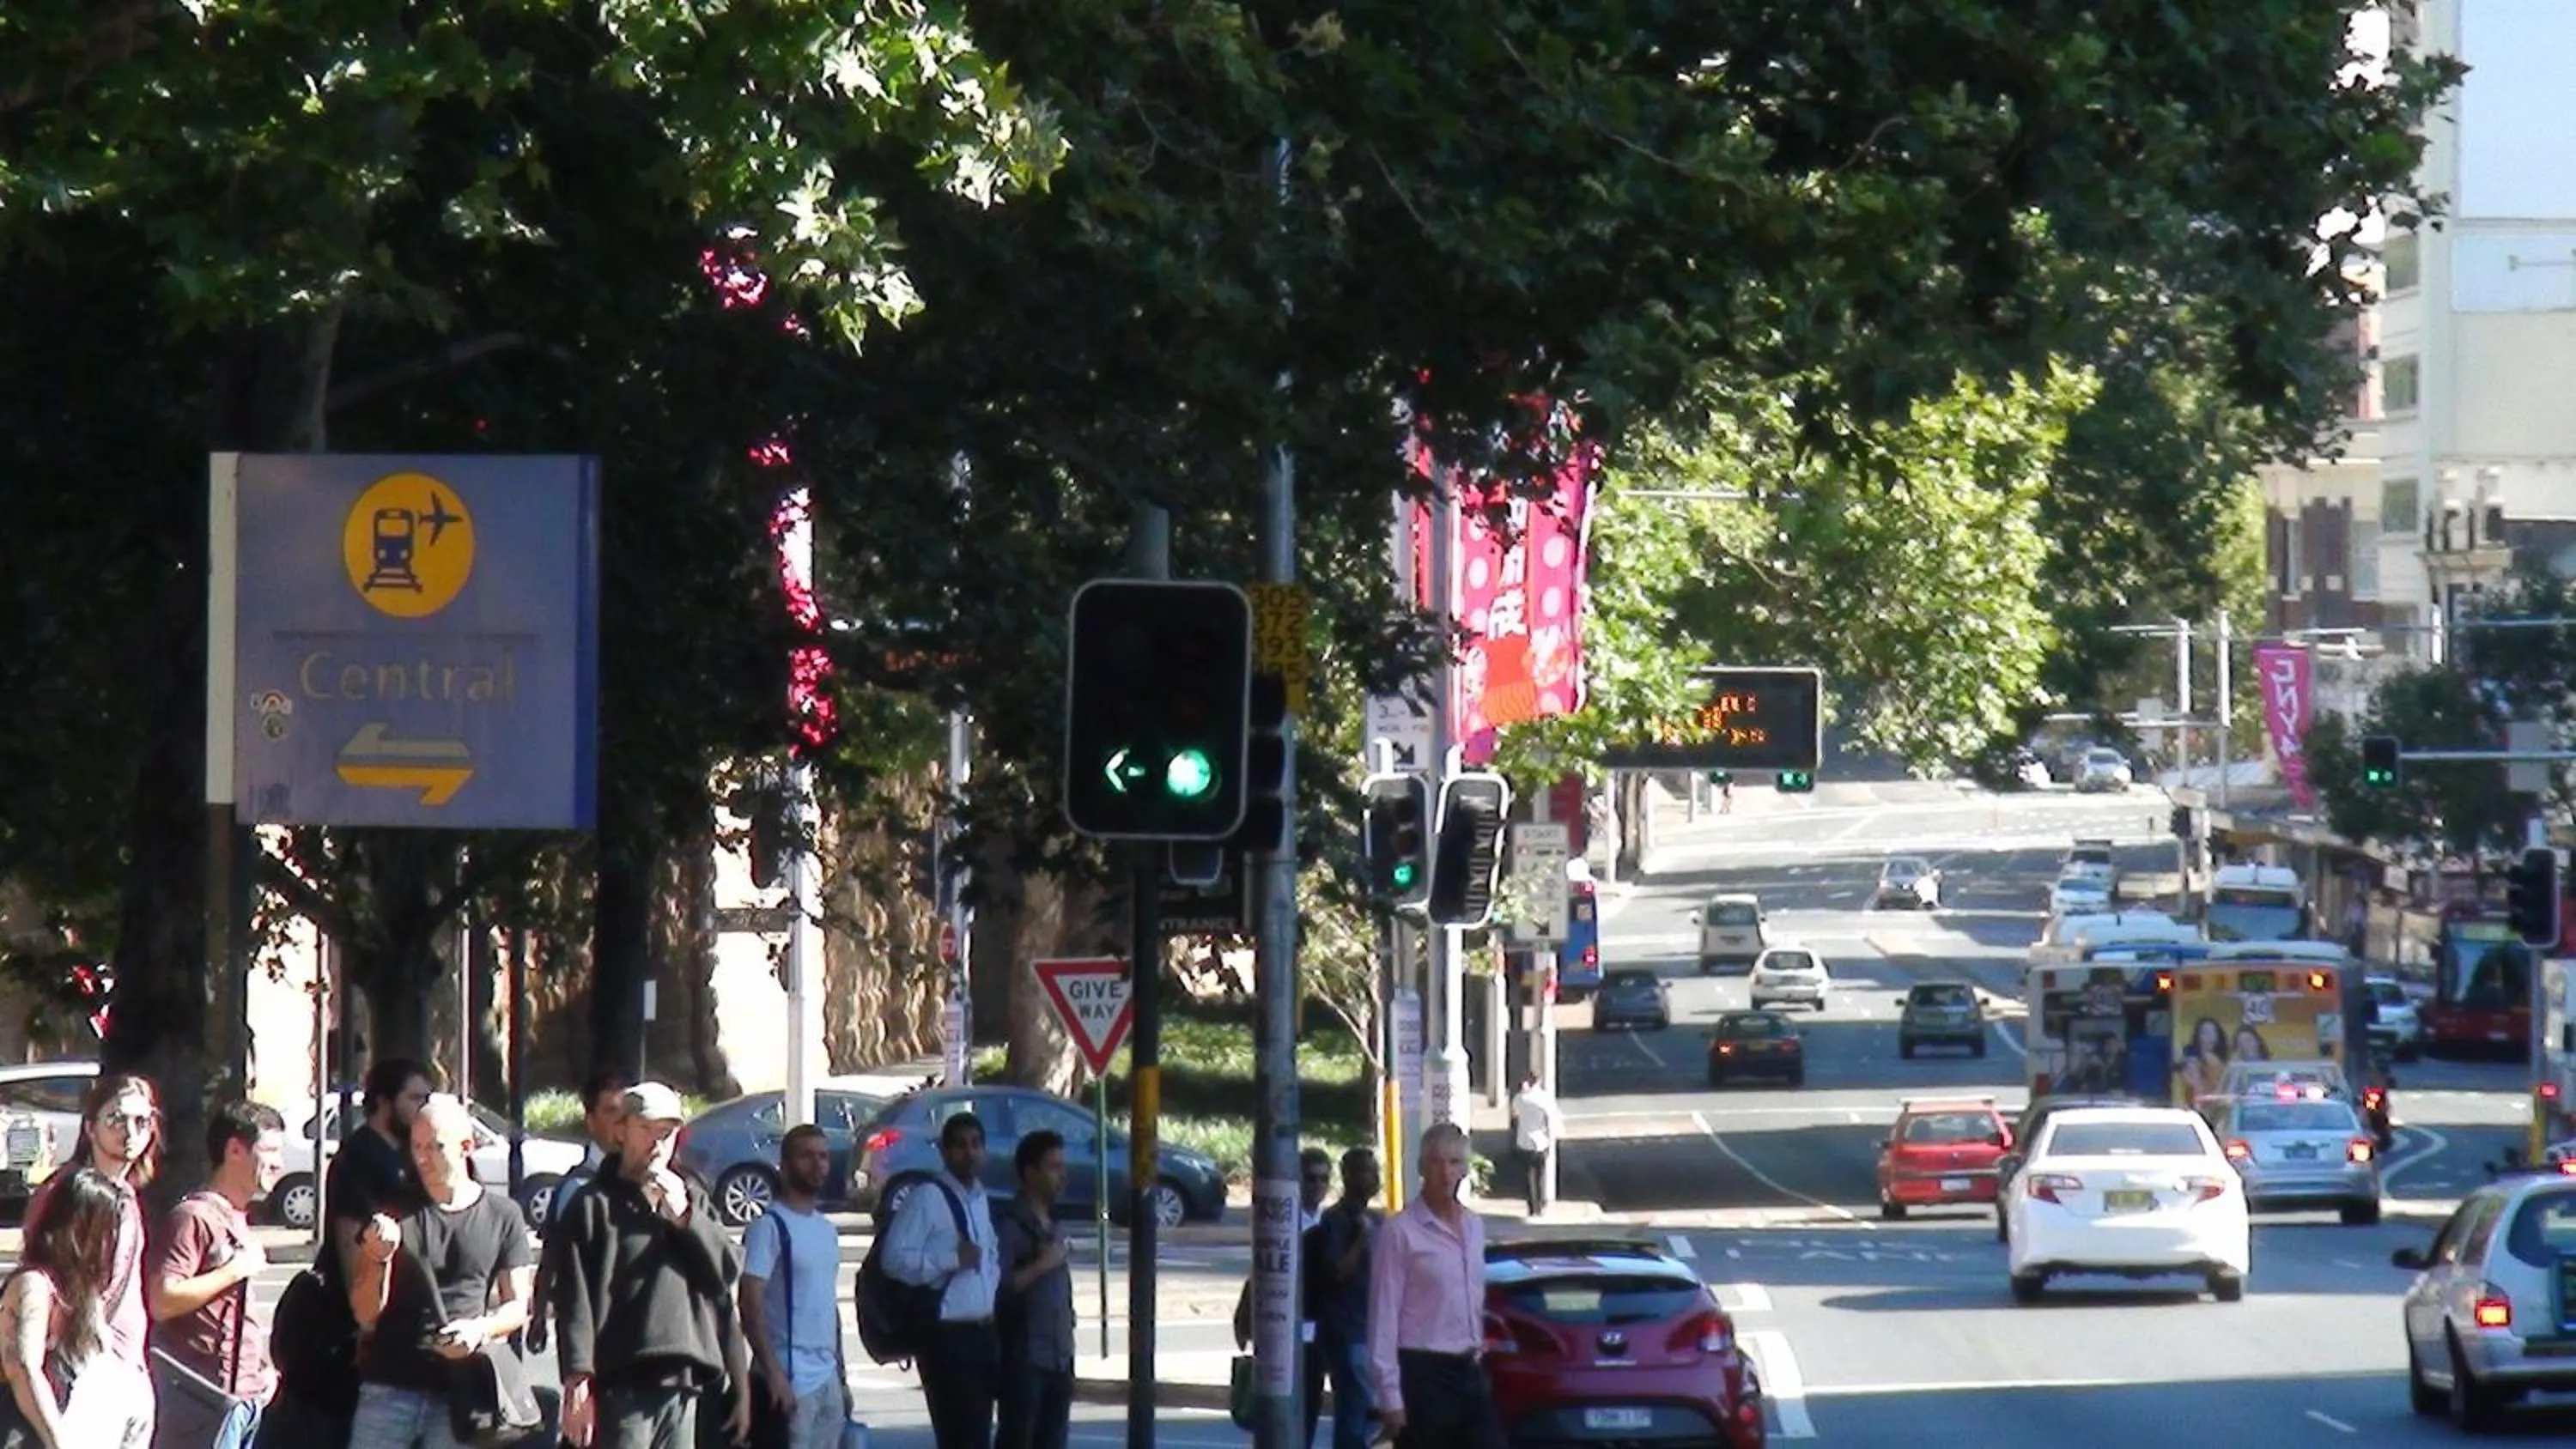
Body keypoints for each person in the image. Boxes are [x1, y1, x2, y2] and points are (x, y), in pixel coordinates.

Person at [554, 1082, 750, 1449]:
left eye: (668, 1133)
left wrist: (686, 1219)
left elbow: (724, 1275)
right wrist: (577, 1378)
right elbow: (574, 1298)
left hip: (684, 1376)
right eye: (646, 1129)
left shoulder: (691, 1197)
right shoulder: (592, 1204)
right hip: (622, 1379)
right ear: (621, 1130)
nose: (657, 1143)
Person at [347, 1094, 535, 1449]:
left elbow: (518, 1306)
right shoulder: (394, 1212)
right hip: (391, 1385)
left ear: (466, 1147)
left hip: (461, 1390)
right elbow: (365, 1311)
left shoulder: (502, 1214)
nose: (422, 1158)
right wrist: (378, 1258)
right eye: (416, 1146)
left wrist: (479, 1329)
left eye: (434, 1147)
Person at [21, 1072, 160, 1440]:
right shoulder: (67, 1194)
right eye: (116, 1119)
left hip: (130, 1370)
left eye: (141, 1121)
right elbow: (45, 1284)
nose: (130, 1131)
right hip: (86, 1373)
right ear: (90, 1128)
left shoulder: (127, 1195)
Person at [147, 1099, 287, 1449]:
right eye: (269, 1151)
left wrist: (262, 1369)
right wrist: (234, 1270)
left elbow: (239, 1311)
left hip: (245, 1398)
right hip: (204, 1401)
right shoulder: (193, 1216)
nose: (279, 1164)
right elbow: (163, 1299)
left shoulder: (236, 1217)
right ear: (235, 1150)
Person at [1367, 1124, 1500, 1449]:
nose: (1445, 1172)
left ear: (1465, 1169)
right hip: (1423, 1372)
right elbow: (1383, 1317)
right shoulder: (1401, 1232)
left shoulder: (1473, 1226)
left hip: (1469, 1368)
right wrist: (1390, 1396)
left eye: (1454, 1162)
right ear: (1422, 1168)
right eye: (1436, 1162)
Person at [2, 1168, 154, 1448]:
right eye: (107, 1230)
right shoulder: (33, 1285)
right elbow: (24, 1370)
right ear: (82, 1229)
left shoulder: (82, 1293)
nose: (112, 1244)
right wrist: (58, 1442)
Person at [883, 1113, 1001, 1449]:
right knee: (959, 1435)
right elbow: (894, 1259)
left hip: (982, 1331)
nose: (970, 1153)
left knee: (979, 1431)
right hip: (946, 1336)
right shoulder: (927, 1198)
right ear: (946, 1152)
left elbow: (989, 1253)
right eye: (961, 1146)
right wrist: (950, 1261)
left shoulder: (980, 1198)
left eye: (976, 1145)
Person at [740, 1125, 846, 1449]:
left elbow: (828, 1304)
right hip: (790, 1379)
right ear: (784, 1165)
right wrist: (773, 1374)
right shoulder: (768, 1227)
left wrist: (841, 1378)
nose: (817, 1165)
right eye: (806, 1156)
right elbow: (749, 1303)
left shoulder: (826, 1230)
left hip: (827, 1378)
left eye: (824, 1157)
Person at [528, 1067, 635, 1354]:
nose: (621, 1121)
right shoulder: (575, 1188)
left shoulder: (653, 1181)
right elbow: (553, 1255)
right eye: (611, 1112)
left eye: (627, 1111)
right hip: (592, 1337)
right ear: (590, 1121)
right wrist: (539, 1313)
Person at [1230, 1147, 1332, 1445]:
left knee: (1308, 1413)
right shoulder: (1284, 1220)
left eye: (1324, 1179)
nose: (1317, 1186)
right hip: (1282, 1332)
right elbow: (1260, 1270)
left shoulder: (1327, 1222)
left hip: (1316, 1336)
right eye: (1311, 1178)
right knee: (1277, 1417)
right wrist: (1245, 1319)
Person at [992, 1131, 1073, 1449]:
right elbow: (997, 1287)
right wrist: (1042, 1264)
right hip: (1025, 1359)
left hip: (1058, 1358)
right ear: (1030, 1172)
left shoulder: (1054, 1223)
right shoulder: (1011, 1225)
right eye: (1053, 1167)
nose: (1062, 1176)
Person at [329, 1059, 434, 1287]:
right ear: (385, 1102)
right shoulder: (357, 1157)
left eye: (427, 1099)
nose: (424, 1108)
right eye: (415, 1098)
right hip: (371, 1289)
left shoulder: (416, 1151)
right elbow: (349, 1236)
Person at [1309, 1149, 1382, 1449]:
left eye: (1374, 1170)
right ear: (1348, 1176)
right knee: (1354, 1414)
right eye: (1364, 1171)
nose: (1372, 1177)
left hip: (1371, 1328)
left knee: (1365, 1415)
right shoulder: (1337, 1220)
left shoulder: (1377, 1219)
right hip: (1345, 1329)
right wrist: (1362, 1238)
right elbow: (1336, 1271)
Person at [1510, 1074, 1560, 1218]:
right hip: (1541, 1141)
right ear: (1538, 1082)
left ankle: (1532, 1207)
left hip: (1524, 1141)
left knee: (1527, 1176)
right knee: (1540, 1175)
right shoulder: (1545, 1098)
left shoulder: (1519, 1099)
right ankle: (1541, 1205)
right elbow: (1550, 1120)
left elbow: (1515, 1116)